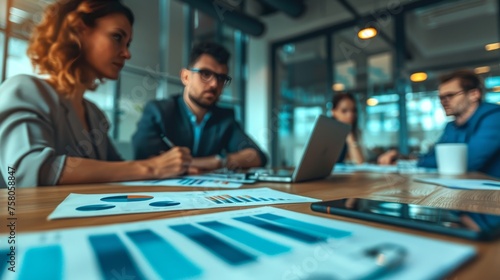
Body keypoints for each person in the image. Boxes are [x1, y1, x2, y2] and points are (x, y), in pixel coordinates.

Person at [0, 0, 192, 188]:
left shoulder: (94, 113)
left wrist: (167, 166)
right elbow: (24, 170)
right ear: (78, 30)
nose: (127, 54)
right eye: (117, 37)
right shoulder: (22, 89)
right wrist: (151, 168)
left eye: (128, 43)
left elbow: (117, 167)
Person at [132, 42, 267, 171]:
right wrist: (212, 164)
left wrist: (217, 161)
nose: (214, 84)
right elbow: (143, 160)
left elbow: (256, 156)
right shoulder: (158, 112)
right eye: (205, 74)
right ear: (186, 77)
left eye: (221, 78)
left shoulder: (225, 118)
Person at [378, 70, 500, 178]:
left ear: (474, 94)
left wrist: (417, 162)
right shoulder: (451, 126)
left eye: (450, 95)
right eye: (441, 98)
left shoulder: (495, 117)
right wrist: (402, 158)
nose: (444, 102)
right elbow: (432, 156)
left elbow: (466, 162)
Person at [331, 93, 364, 164]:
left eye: (353, 111)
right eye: (344, 111)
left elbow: (359, 162)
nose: (350, 115)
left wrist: (350, 137)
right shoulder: (327, 134)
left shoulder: (354, 132)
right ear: (333, 112)